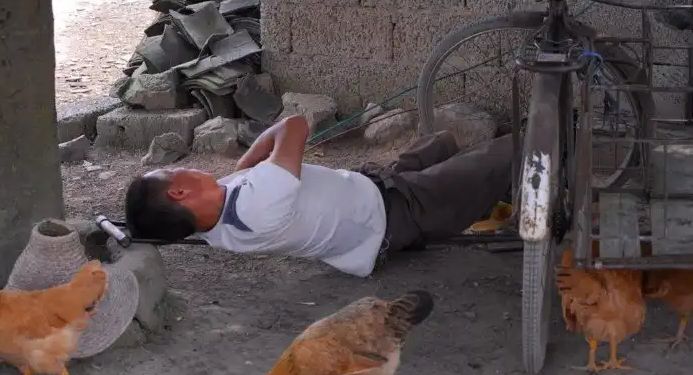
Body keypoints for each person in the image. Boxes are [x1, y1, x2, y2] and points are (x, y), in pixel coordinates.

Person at [124, 114, 513, 278]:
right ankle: (503, 187)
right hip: (397, 213)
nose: (185, 167)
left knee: (442, 142)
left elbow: (249, 173)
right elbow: (294, 124)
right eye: (174, 171)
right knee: (513, 149)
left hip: (376, 186)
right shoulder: (259, 207)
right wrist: (247, 164)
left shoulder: (214, 220)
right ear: (179, 191)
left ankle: (481, 189)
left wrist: (243, 167)